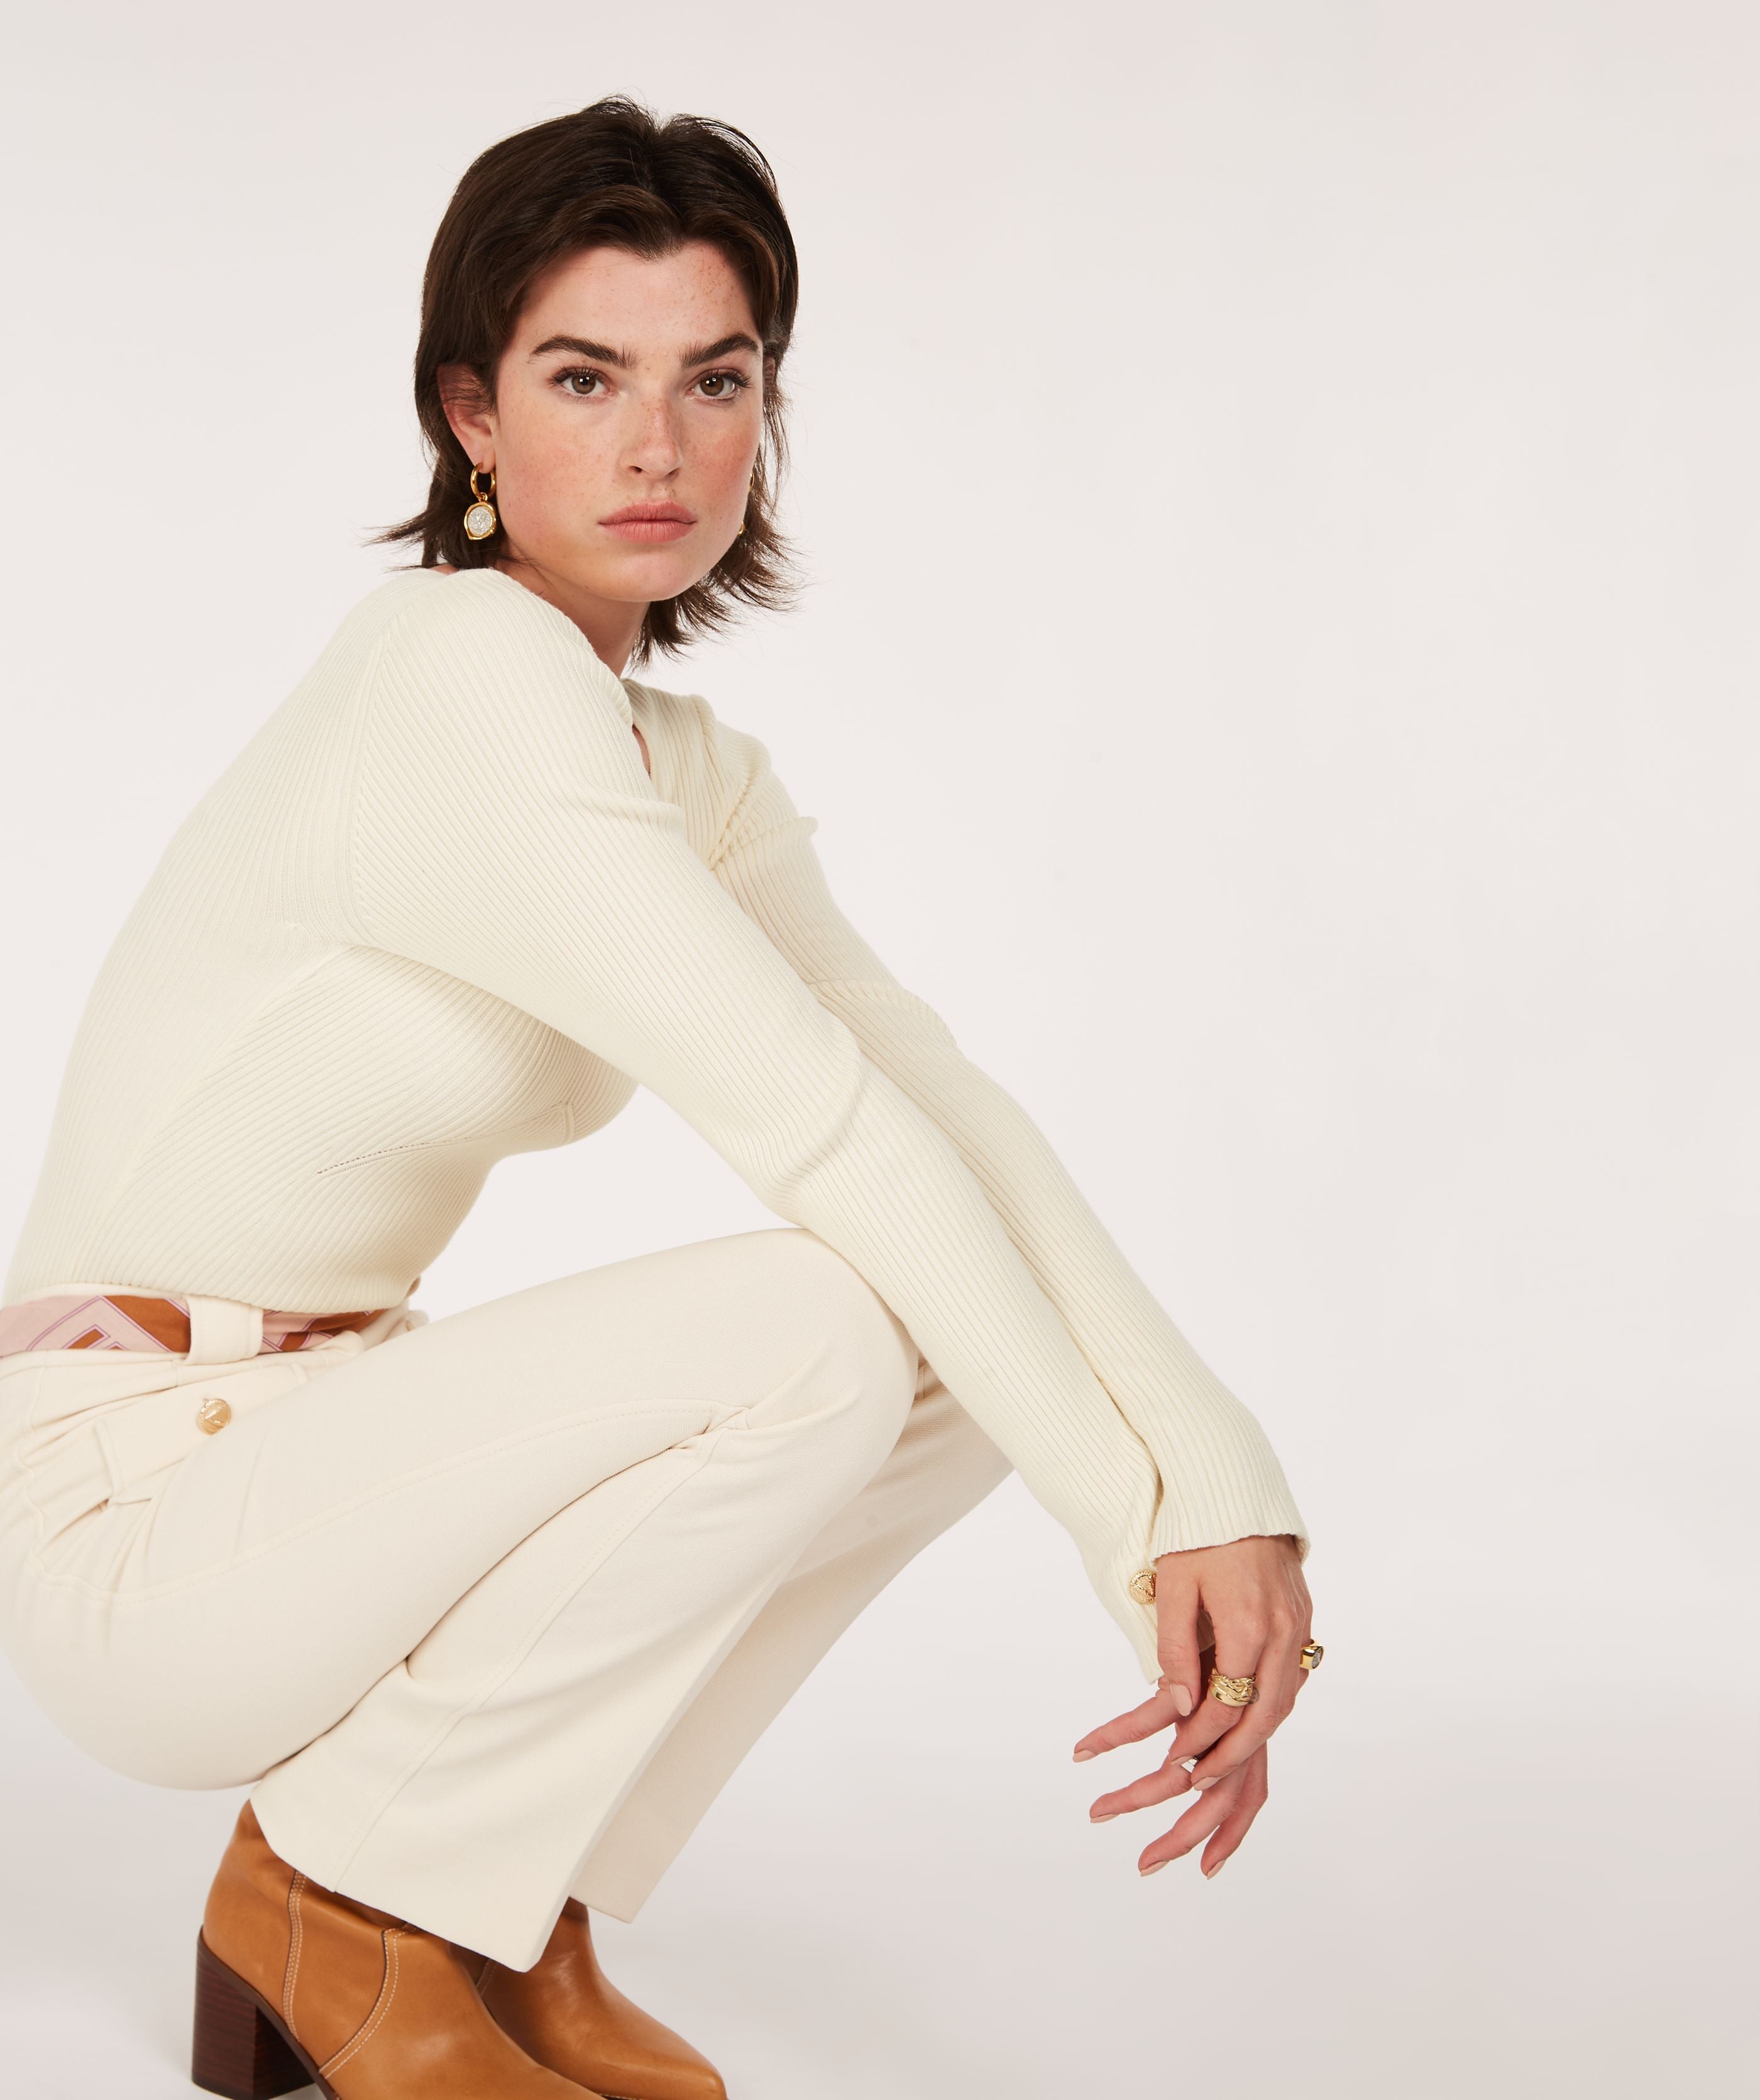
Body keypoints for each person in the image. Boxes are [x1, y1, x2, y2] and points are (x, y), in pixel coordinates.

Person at [0, 97, 1320, 2100]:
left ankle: (495, 1895)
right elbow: (818, 1128)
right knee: (829, 1310)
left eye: (716, 379)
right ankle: (346, 1906)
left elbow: (941, 1108)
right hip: (138, 1506)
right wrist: (1130, 1550)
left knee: (951, 1340)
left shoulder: (683, 767)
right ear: (470, 412)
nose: (658, 445)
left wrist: (1219, 1486)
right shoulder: (453, 669)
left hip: (324, 1444)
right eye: (582, 377)